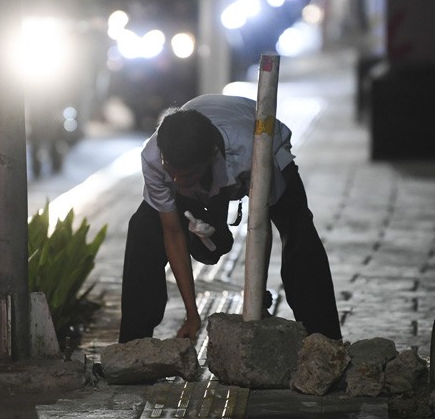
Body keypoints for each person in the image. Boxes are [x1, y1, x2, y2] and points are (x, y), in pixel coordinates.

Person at [118, 94, 342, 343]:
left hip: (259, 139)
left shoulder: (252, 152)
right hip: (203, 151)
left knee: (299, 229)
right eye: (172, 173)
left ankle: (325, 338)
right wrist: (192, 315)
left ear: (210, 158)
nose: (177, 181)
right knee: (143, 227)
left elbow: (260, 225)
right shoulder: (154, 157)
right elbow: (172, 233)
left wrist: (256, 299)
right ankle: (132, 342)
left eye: (187, 176)